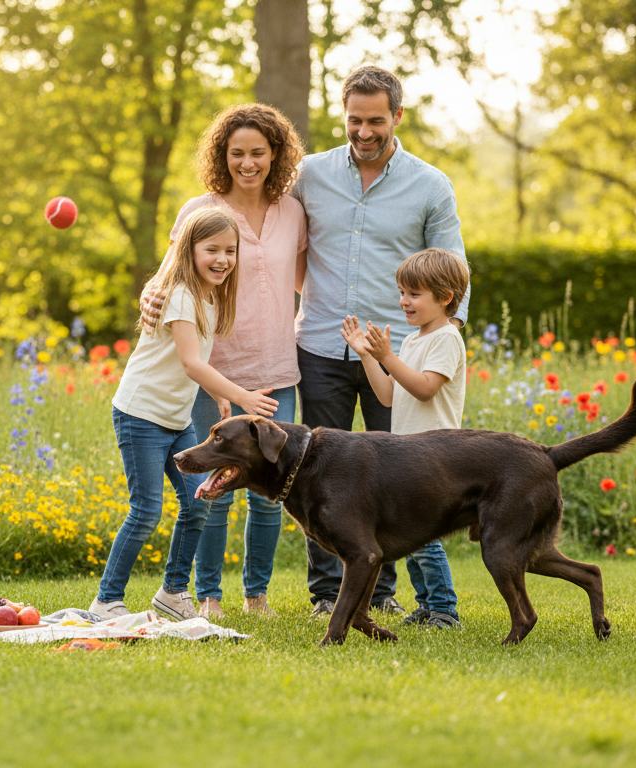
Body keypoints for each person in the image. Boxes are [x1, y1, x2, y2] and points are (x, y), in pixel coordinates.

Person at [292, 64, 471, 618]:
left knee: (394, 479)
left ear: (397, 116)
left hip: (397, 354)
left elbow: (454, 266)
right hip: (321, 344)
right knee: (316, 476)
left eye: (375, 121)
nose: (363, 132)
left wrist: (444, 338)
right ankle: (328, 595)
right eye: (354, 120)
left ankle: (381, 593)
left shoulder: (430, 185)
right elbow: (267, 234)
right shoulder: (309, 174)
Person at [139, 104, 307, 619]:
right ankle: (209, 596)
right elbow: (167, 279)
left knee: (271, 490)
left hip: (277, 371)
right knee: (215, 486)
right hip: (216, 372)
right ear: (222, 155)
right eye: (237, 153)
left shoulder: (292, 212)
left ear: (275, 155)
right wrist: (148, 295)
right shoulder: (200, 209)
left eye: (258, 152)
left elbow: (305, 282)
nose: (247, 163)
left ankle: (257, 596)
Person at [91, 207, 279, 621]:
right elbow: (192, 363)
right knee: (145, 511)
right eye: (212, 249)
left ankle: (173, 593)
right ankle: (106, 601)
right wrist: (241, 396)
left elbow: (193, 361)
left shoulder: (209, 297)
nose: (222, 259)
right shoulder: (180, 295)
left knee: (198, 503)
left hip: (176, 420)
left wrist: (218, 392)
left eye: (230, 250)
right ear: (189, 250)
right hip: (141, 414)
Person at [339, 247, 469, 628]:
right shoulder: (413, 340)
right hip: (406, 453)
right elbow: (388, 395)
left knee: (424, 538)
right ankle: (427, 605)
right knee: (408, 536)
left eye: (414, 293)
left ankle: (445, 609)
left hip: (434, 455)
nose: (404, 301)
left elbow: (426, 388)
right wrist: (368, 355)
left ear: (444, 297)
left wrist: (388, 357)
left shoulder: (446, 338)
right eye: (401, 292)